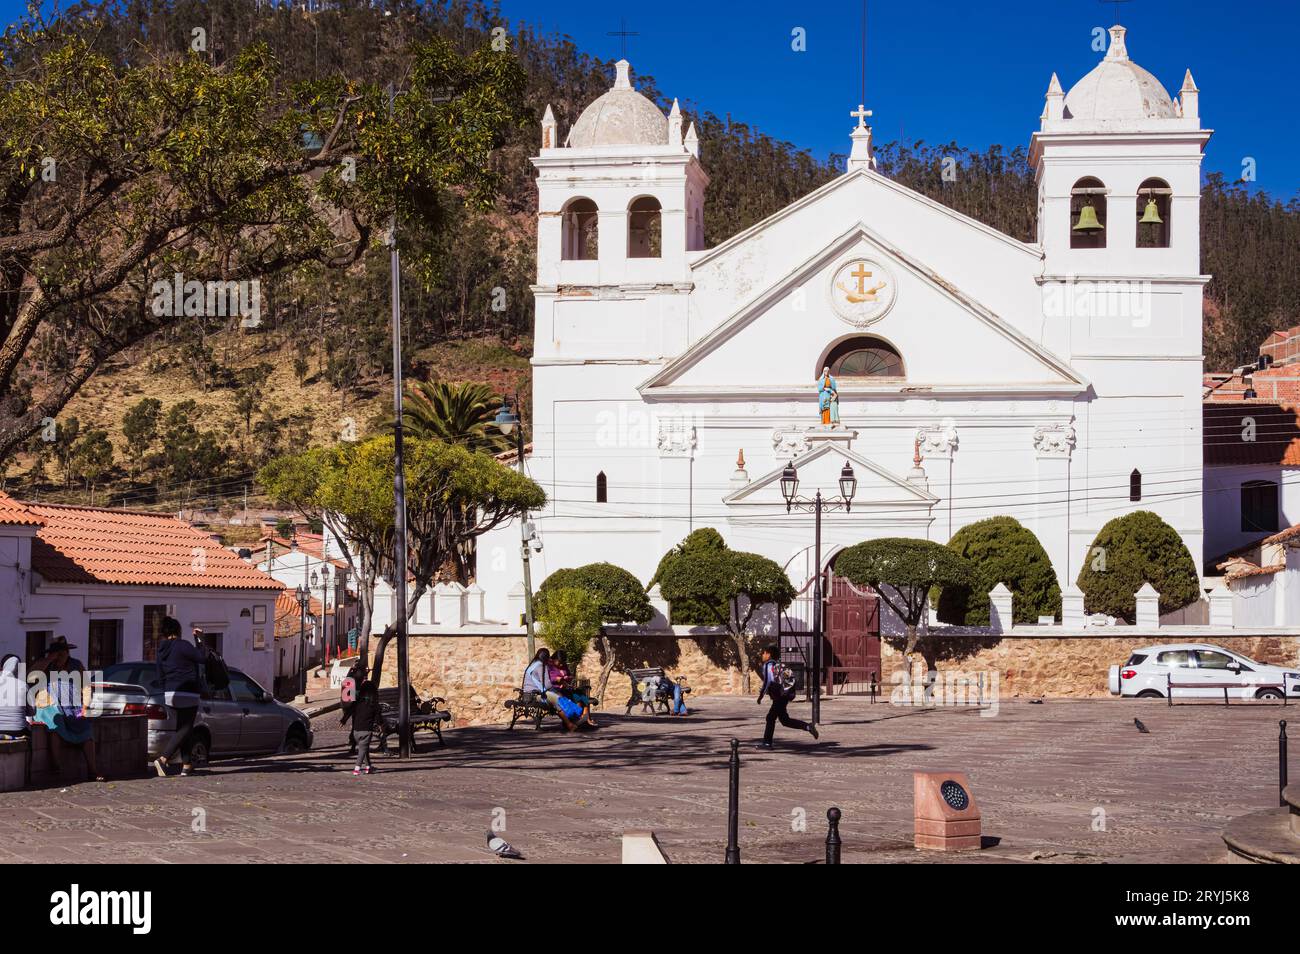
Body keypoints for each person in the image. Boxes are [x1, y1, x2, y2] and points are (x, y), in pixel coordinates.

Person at [30, 636, 102, 782]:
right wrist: (49, 660)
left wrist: (85, 706)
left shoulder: (76, 665)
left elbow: (87, 687)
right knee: (55, 727)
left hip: (72, 707)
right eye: (58, 652)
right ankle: (55, 766)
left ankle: (92, 771)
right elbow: (31, 675)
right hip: (49, 707)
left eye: (63, 652)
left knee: (87, 733)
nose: (61, 656)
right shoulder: (45, 665)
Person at [153, 618, 208, 777]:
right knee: (186, 728)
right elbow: (201, 657)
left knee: (183, 729)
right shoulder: (182, 645)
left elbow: (159, 674)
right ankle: (163, 758)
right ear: (177, 630)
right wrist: (200, 640)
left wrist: (166, 689)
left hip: (170, 693)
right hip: (187, 691)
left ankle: (187, 764)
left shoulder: (161, 650)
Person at [756, 645, 818, 749]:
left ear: (768, 654)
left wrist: (761, 696)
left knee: (770, 718)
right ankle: (808, 727)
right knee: (785, 720)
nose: (762, 655)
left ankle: (767, 743)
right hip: (784, 694)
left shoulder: (768, 665)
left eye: (764, 653)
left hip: (779, 696)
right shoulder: (778, 664)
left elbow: (767, 681)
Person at [339, 658, 367, 755]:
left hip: (348, 703)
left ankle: (352, 742)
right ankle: (353, 743)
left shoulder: (350, 674)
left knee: (355, 724)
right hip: (354, 703)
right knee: (356, 724)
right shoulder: (358, 676)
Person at [350, 680, 378, 776]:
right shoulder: (373, 705)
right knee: (362, 750)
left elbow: (349, 711)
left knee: (364, 748)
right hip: (366, 731)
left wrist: (343, 720)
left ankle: (368, 767)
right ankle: (356, 769)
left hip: (356, 731)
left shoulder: (357, 703)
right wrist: (382, 725)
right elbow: (379, 719)